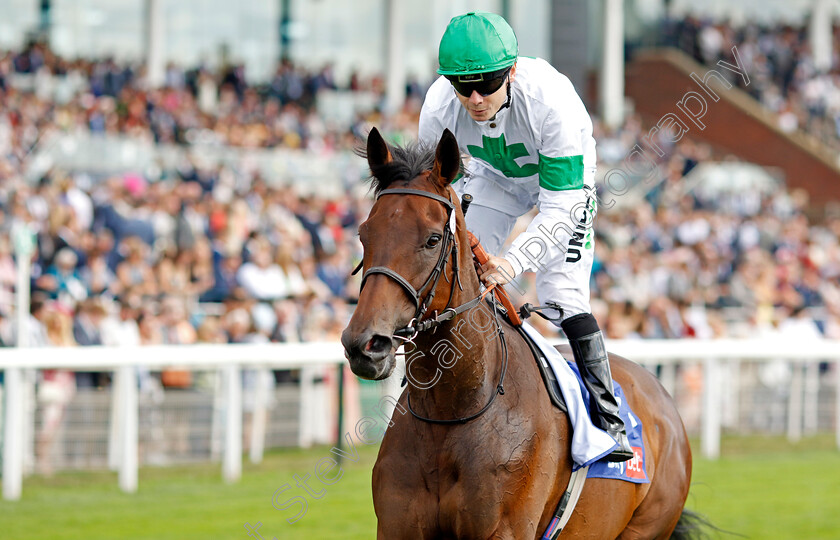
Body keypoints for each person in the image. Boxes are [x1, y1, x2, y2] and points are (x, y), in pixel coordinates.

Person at [419, 11, 632, 461]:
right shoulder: (438, 104)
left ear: (511, 70)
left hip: (562, 188)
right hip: (494, 179)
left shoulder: (552, 102)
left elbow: (560, 208)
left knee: (560, 295)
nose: (474, 99)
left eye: (487, 84)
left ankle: (608, 419)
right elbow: (435, 194)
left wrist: (511, 263)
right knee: (455, 271)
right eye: (463, 86)